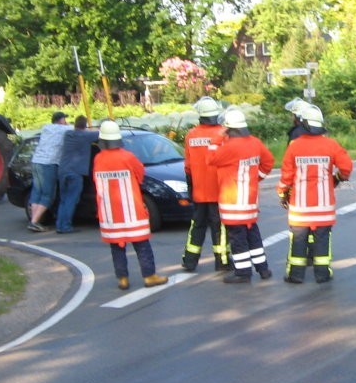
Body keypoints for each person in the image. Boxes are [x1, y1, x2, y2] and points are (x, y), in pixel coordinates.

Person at [277, 104, 353, 284]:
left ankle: (295, 275)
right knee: (322, 240)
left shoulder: (294, 146)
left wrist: (282, 193)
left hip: (300, 207)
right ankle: (322, 274)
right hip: (324, 206)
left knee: (298, 240)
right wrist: (337, 178)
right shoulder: (331, 145)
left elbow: (286, 176)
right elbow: (346, 168)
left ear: (303, 125)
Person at [92, 120, 168, 290]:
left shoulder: (98, 159)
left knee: (117, 247)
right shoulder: (127, 157)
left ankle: (123, 279)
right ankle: (149, 276)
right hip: (132, 211)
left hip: (109, 212)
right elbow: (140, 173)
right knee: (142, 246)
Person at [207, 108, 275, 284]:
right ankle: (263, 268)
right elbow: (268, 162)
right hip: (250, 200)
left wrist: (217, 137)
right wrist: (256, 177)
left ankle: (243, 272)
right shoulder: (255, 142)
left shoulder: (229, 147)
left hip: (233, 201)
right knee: (253, 234)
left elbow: (211, 158)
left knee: (238, 238)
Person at [181, 97, 229, 272]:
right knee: (219, 228)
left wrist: (190, 189)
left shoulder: (191, 135)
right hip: (219, 190)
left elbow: (187, 167)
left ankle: (190, 261)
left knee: (197, 226)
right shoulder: (223, 134)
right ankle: (222, 261)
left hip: (200, 191)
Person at [55, 116, 99, 233]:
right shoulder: (86, 136)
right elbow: (101, 133)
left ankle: (60, 224)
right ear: (85, 126)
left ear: (75, 125)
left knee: (64, 199)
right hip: (75, 173)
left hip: (63, 170)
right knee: (71, 199)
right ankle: (65, 226)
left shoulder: (68, 134)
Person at [28, 111, 70, 232]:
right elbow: (79, 129)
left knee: (37, 192)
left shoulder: (46, 128)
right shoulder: (62, 129)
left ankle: (33, 221)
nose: (65, 121)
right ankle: (34, 221)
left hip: (36, 161)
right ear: (60, 120)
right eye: (64, 119)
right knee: (48, 194)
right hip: (48, 163)